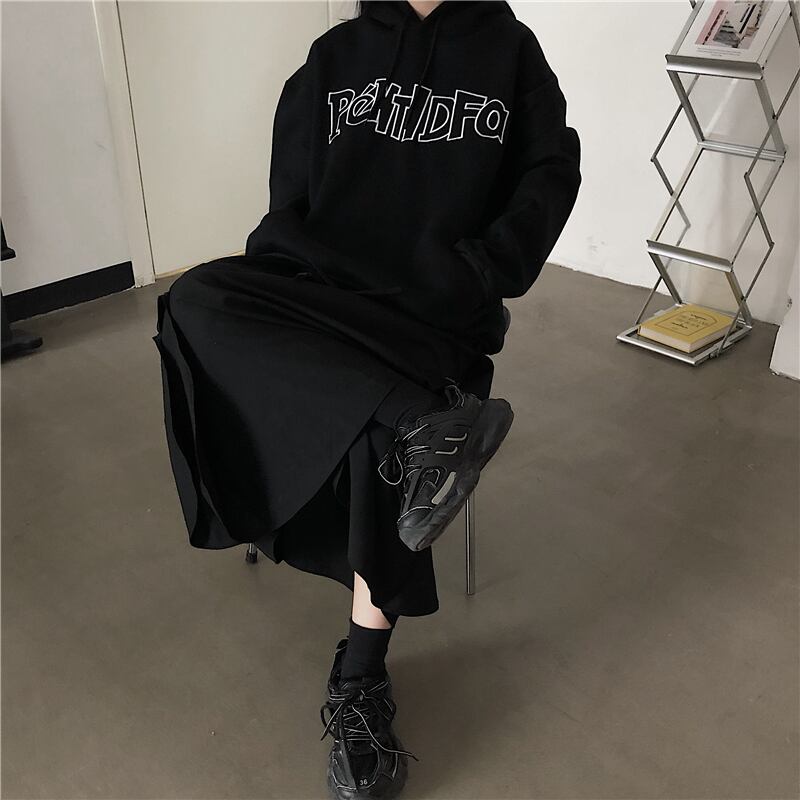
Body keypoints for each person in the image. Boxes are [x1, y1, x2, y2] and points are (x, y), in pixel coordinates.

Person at [151, 1, 581, 797]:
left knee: (374, 440)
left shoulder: (511, 52)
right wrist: (300, 279)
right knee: (196, 300)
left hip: (432, 319)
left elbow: (551, 176)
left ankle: (361, 679)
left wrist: (476, 274)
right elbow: (286, 208)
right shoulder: (332, 58)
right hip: (328, 300)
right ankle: (425, 426)